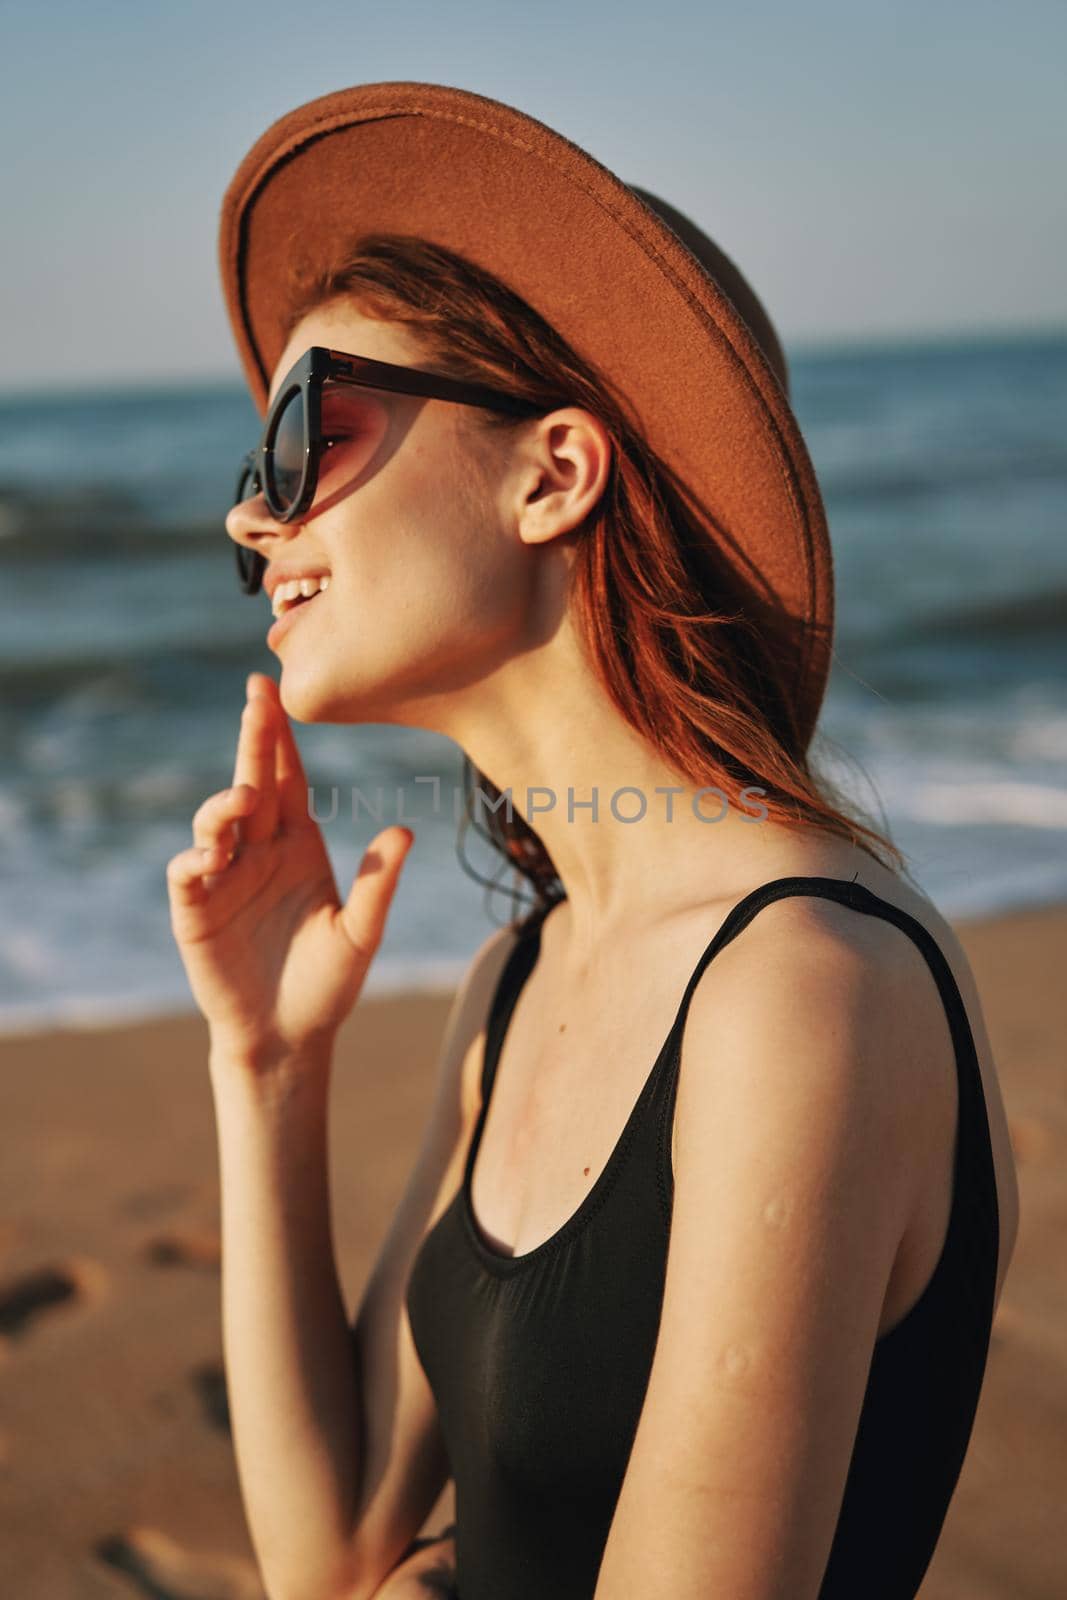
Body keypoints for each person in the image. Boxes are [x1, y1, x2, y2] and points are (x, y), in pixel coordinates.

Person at [166, 82, 1020, 1600]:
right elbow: (331, 1546)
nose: (252, 522)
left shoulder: (803, 991)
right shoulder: (524, 974)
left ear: (553, 469)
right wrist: (270, 1067)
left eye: (308, 433)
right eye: (255, 472)